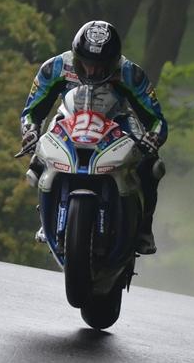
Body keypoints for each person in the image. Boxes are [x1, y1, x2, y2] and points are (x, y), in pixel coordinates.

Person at [19, 20, 167, 255]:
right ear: (75, 56)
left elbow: (156, 119)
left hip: (117, 123)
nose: (92, 71)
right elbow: (32, 110)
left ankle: (144, 230)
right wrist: (29, 130)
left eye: (101, 65)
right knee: (38, 157)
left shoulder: (130, 73)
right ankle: (48, 215)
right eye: (86, 64)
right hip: (69, 120)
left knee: (151, 166)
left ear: (115, 60)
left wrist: (152, 138)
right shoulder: (55, 67)